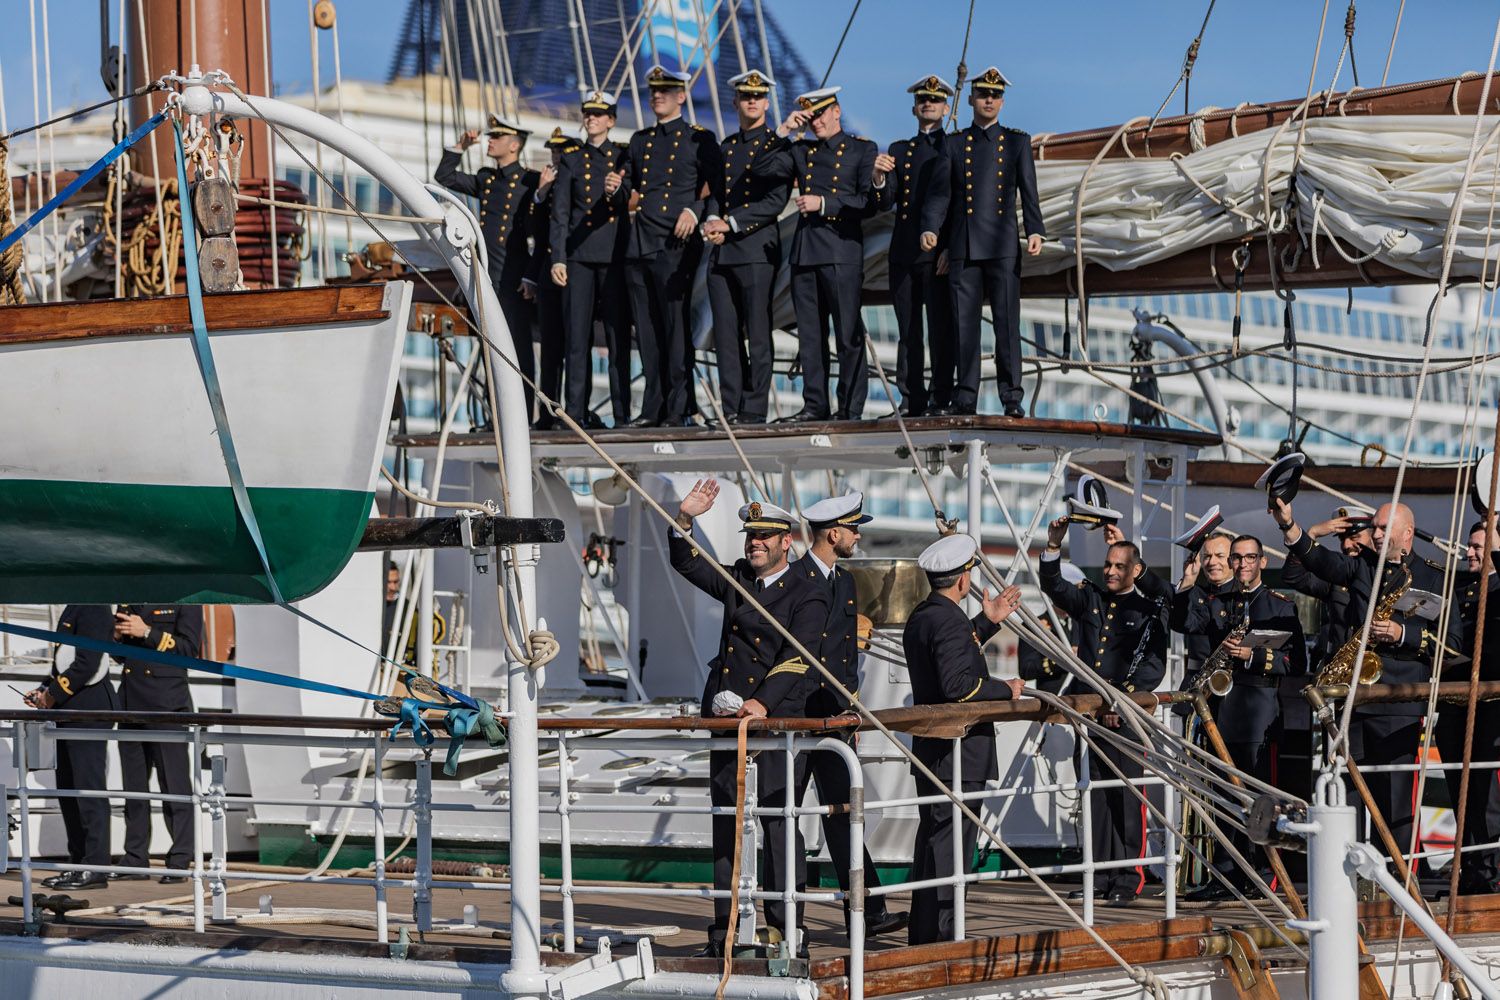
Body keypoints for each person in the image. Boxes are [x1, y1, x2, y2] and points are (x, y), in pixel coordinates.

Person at [668, 483, 828, 957]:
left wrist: (762, 704)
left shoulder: (808, 592)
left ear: (786, 542)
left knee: (779, 824)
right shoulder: (738, 578)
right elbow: (688, 563)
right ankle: (727, 927)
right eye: (750, 535)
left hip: (777, 726)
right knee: (727, 822)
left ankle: (786, 929)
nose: (754, 542)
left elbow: (799, 656)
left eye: (764, 536)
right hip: (727, 722)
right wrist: (684, 518)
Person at [1271, 494, 1456, 864]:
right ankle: (1346, 881)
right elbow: (1315, 559)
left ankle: (1402, 880)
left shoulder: (1436, 576)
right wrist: (1289, 524)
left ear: (1408, 533)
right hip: (1352, 698)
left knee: (1395, 799)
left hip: (1398, 702)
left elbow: (1453, 645)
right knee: (1346, 793)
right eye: (1374, 527)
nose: (1375, 534)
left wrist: (1403, 633)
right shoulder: (1362, 567)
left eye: (1384, 528)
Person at [790, 493, 907, 938]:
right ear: (833, 533)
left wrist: (850, 706)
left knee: (843, 814)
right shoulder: (793, 579)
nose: (859, 536)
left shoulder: (846, 582)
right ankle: (788, 923)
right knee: (785, 818)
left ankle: (867, 913)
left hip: (835, 720)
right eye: (854, 528)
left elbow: (843, 656)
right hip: (796, 720)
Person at [1040, 517, 1169, 906]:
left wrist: (1120, 700)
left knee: (1127, 799)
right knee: (1094, 795)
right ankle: (1100, 873)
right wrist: (1053, 545)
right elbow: (1054, 586)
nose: (1110, 571)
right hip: (1090, 716)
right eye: (1107, 565)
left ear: (1134, 570)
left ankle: (1129, 877)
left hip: (1125, 718)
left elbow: (1152, 667)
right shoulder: (1091, 598)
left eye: (1118, 566)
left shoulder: (1150, 609)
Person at [903, 533, 1025, 944]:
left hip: (935, 751)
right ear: (963, 581)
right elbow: (959, 685)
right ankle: (942, 938)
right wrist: (1003, 688)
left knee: (934, 842)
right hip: (958, 751)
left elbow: (951, 650)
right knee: (952, 846)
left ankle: (924, 935)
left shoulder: (925, 615)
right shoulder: (948, 620)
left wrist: (988, 621)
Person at [1175, 534, 1306, 901]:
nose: (1243, 564)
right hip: (1221, 713)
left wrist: (1251, 656)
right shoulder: (1218, 601)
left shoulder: (1279, 605)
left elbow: (1295, 663)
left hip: (1259, 713)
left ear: (1262, 562)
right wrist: (1187, 583)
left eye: (1250, 558)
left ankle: (1266, 874)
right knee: (1224, 798)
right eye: (1237, 558)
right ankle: (1228, 874)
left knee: (1260, 797)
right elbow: (1184, 622)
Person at [757, 87, 877, 423]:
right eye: (810, 117)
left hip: (841, 251)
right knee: (810, 337)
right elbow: (762, 168)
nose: (816, 122)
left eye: (821, 114)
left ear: (836, 111)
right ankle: (814, 405)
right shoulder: (801, 150)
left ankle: (850, 408)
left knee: (847, 335)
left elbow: (867, 202)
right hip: (805, 253)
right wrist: (783, 131)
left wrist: (824, 204)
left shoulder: (861, 150)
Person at [935, 67, 1044, 418]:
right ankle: (965, 396)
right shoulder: (953, 144)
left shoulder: (1016, 142)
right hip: (963, 245)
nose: (989, 100)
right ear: (970, 99)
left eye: (995, 95)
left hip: (1002, 244)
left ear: (1002, 101)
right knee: (964, 326)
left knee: (1006, 326)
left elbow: (1029, 191)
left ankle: (1011, 396)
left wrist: (1036, 230)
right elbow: (942, 197)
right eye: (983, 94)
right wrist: (935, 236)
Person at [621, 67, 722, 428]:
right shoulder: (640, 140)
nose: (657, 96)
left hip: (676, 244)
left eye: (665, 91)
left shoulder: (699, 138)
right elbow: (625, 185)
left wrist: (695, 212)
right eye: (653, 91)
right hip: (640, 244)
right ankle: (652, 409)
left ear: (681, 96)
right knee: (647, 333)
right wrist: (614, 185)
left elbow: (717, 187)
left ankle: (677, 409)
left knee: (676, 329)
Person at [701, 70, 794, 426]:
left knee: (757, 333)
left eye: (757, 96)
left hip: (756, 250)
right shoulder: (726, 147)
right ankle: (730, 408)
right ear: (736, 102)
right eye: (745, 96)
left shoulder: (778, 146)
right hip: (722, 252)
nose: (751, 101)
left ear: (767, 103)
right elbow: (717, 196)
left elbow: (775, 201)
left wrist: (732, 223)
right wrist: (711, 222)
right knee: (725, 335)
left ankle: (753, 409)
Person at [435, 115, 540, 422]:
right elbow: (446, 177)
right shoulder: (486, 179)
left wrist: (531, 275)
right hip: (488, 277)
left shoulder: (530, 180)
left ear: (515, 144)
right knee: (490, 350)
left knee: (518, 349)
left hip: (515, 276)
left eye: (498, 136)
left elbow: (543, 231)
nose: (490, 140)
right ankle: (497, 419)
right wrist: (460, 147)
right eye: (490, 135)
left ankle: (522, 418)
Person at [871, 75, 954, 417]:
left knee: (939, 330)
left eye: (934, 100)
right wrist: (878, 178)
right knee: (908, 333)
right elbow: (886, 200)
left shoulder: (954, 147)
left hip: (937, 254)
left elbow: (959, 204)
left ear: (946, 108)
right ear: (914, 107)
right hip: (904, 251)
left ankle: (940, 398)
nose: (928, 104)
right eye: (923, 99)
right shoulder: (899, 150)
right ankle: (910, 399)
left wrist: (949, 247)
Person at [550, 92, 633, 428]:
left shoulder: (623, 156)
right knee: (577, 338)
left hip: (614, 255)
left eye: (599, 115)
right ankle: (575, 412)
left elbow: (633, 200)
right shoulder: (572, 159)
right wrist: (559, 258)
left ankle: (623, 413)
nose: (592, 119)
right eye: (588, 114)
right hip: (580, 256)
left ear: (611, 120)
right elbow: (560, 214)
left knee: (617, 338)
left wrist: (618, 191)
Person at [27, 605, 117, 890]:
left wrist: (53, 695)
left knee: (88, 790)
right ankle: (77, 863)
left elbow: (88, 662)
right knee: (68, 789)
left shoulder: (95, 606)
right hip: (69, 709)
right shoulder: (74, 606)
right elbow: (62, 663)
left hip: (89, 708)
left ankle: (95, 866)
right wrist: (44, 690)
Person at [113, 604, 205, 883]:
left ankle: (179, 860)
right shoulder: (131, 598)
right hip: (131, 704)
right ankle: (135, 858)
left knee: (174, 787)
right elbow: (122, 656)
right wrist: (115, 639)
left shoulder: (186, 600)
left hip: (167, 705)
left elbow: (189, 650)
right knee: (134, 790)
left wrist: (148, 632)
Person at [1441, 519, 1500, 893]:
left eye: (1479, 547)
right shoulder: (1459, 590)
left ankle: (1492, 870)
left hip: (1490, 705)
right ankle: (1473, 869)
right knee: (1458, 790)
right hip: (1454, 703)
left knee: (1486, 792)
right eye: (1470, 546)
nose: (1470, 553)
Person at [527, 127, 577, 430]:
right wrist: (542, 192)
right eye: (554, 151)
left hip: (576, 271)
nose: (557, 156)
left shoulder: (582, 182)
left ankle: (575, 411)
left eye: (563, 151)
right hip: (548, 272)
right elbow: (535, 230)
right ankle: (547, 412)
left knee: (575, 345)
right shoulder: (546, 185)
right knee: (550, 347)